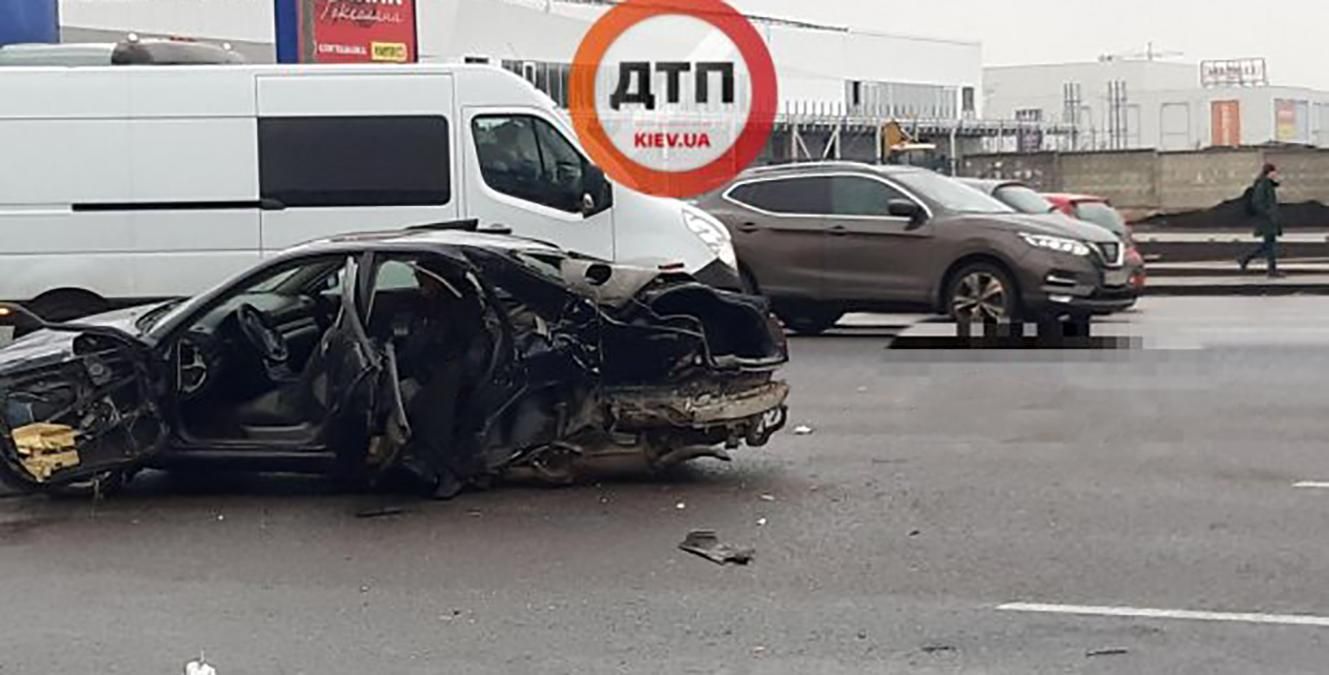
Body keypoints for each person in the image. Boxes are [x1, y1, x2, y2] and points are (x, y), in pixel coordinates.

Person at [1238, 163, 1286, 278]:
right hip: (1266, 220)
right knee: (1270, 246)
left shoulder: (1267, 184)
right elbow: (1258, 203)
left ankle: (1246, 259)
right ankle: (1271, 270)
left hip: (1269, 219)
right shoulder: (1263, 184)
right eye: (1274, 172)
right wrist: (1269, 214)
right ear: (1269, 172)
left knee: (1268, 245)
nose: (1276, 174)